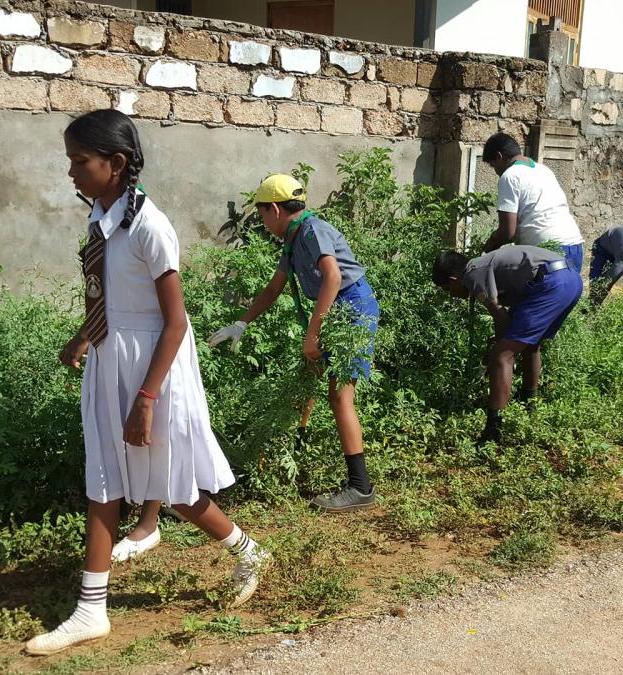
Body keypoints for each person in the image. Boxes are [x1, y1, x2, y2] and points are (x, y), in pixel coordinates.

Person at [26, 110, 267, 656]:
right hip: (111, 358)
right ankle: (91, 611)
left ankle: (249, 551)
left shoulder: (149, 226)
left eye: (79, 161)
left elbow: (175, 321)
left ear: (114, 164)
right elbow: (108, 293)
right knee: (105, 478)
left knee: (174, 487)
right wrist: (86, 335)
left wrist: (147, 398)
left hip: (153, 368)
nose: (71, 172)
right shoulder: (102, 215)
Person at [208, 175, 380, 513]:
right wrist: (241, 323)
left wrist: (313, 332)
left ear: (273, 209)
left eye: (260, 214)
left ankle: (361, 487)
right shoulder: (293, 238)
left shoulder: (312, 231)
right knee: (311, 379)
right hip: (336, 308)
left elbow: (332, 276)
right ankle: (297, 455)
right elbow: (274, 288)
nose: (261, 221)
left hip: (352, 308)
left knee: (340, 395)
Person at [432, 245, 583, 445]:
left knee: (502, 356)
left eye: (446, 289)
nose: (450, 294)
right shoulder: (482, 266)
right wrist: (499, 341)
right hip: (570, 280)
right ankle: (529, 406)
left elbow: (500, 317)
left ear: (453, 280)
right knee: (530, 345)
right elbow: (507, 321)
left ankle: (493, 432)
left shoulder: (472, 274)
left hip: (551, 284)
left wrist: (496, 352)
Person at [480, 133, 585, 269]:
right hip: (574, 245)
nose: (496, 172)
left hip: (546, 252)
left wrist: (491, 243)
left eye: (494, 166)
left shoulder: (509, 176)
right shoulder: (544, 170)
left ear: (499, 156)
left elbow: (507, 232)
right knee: (569, 289)